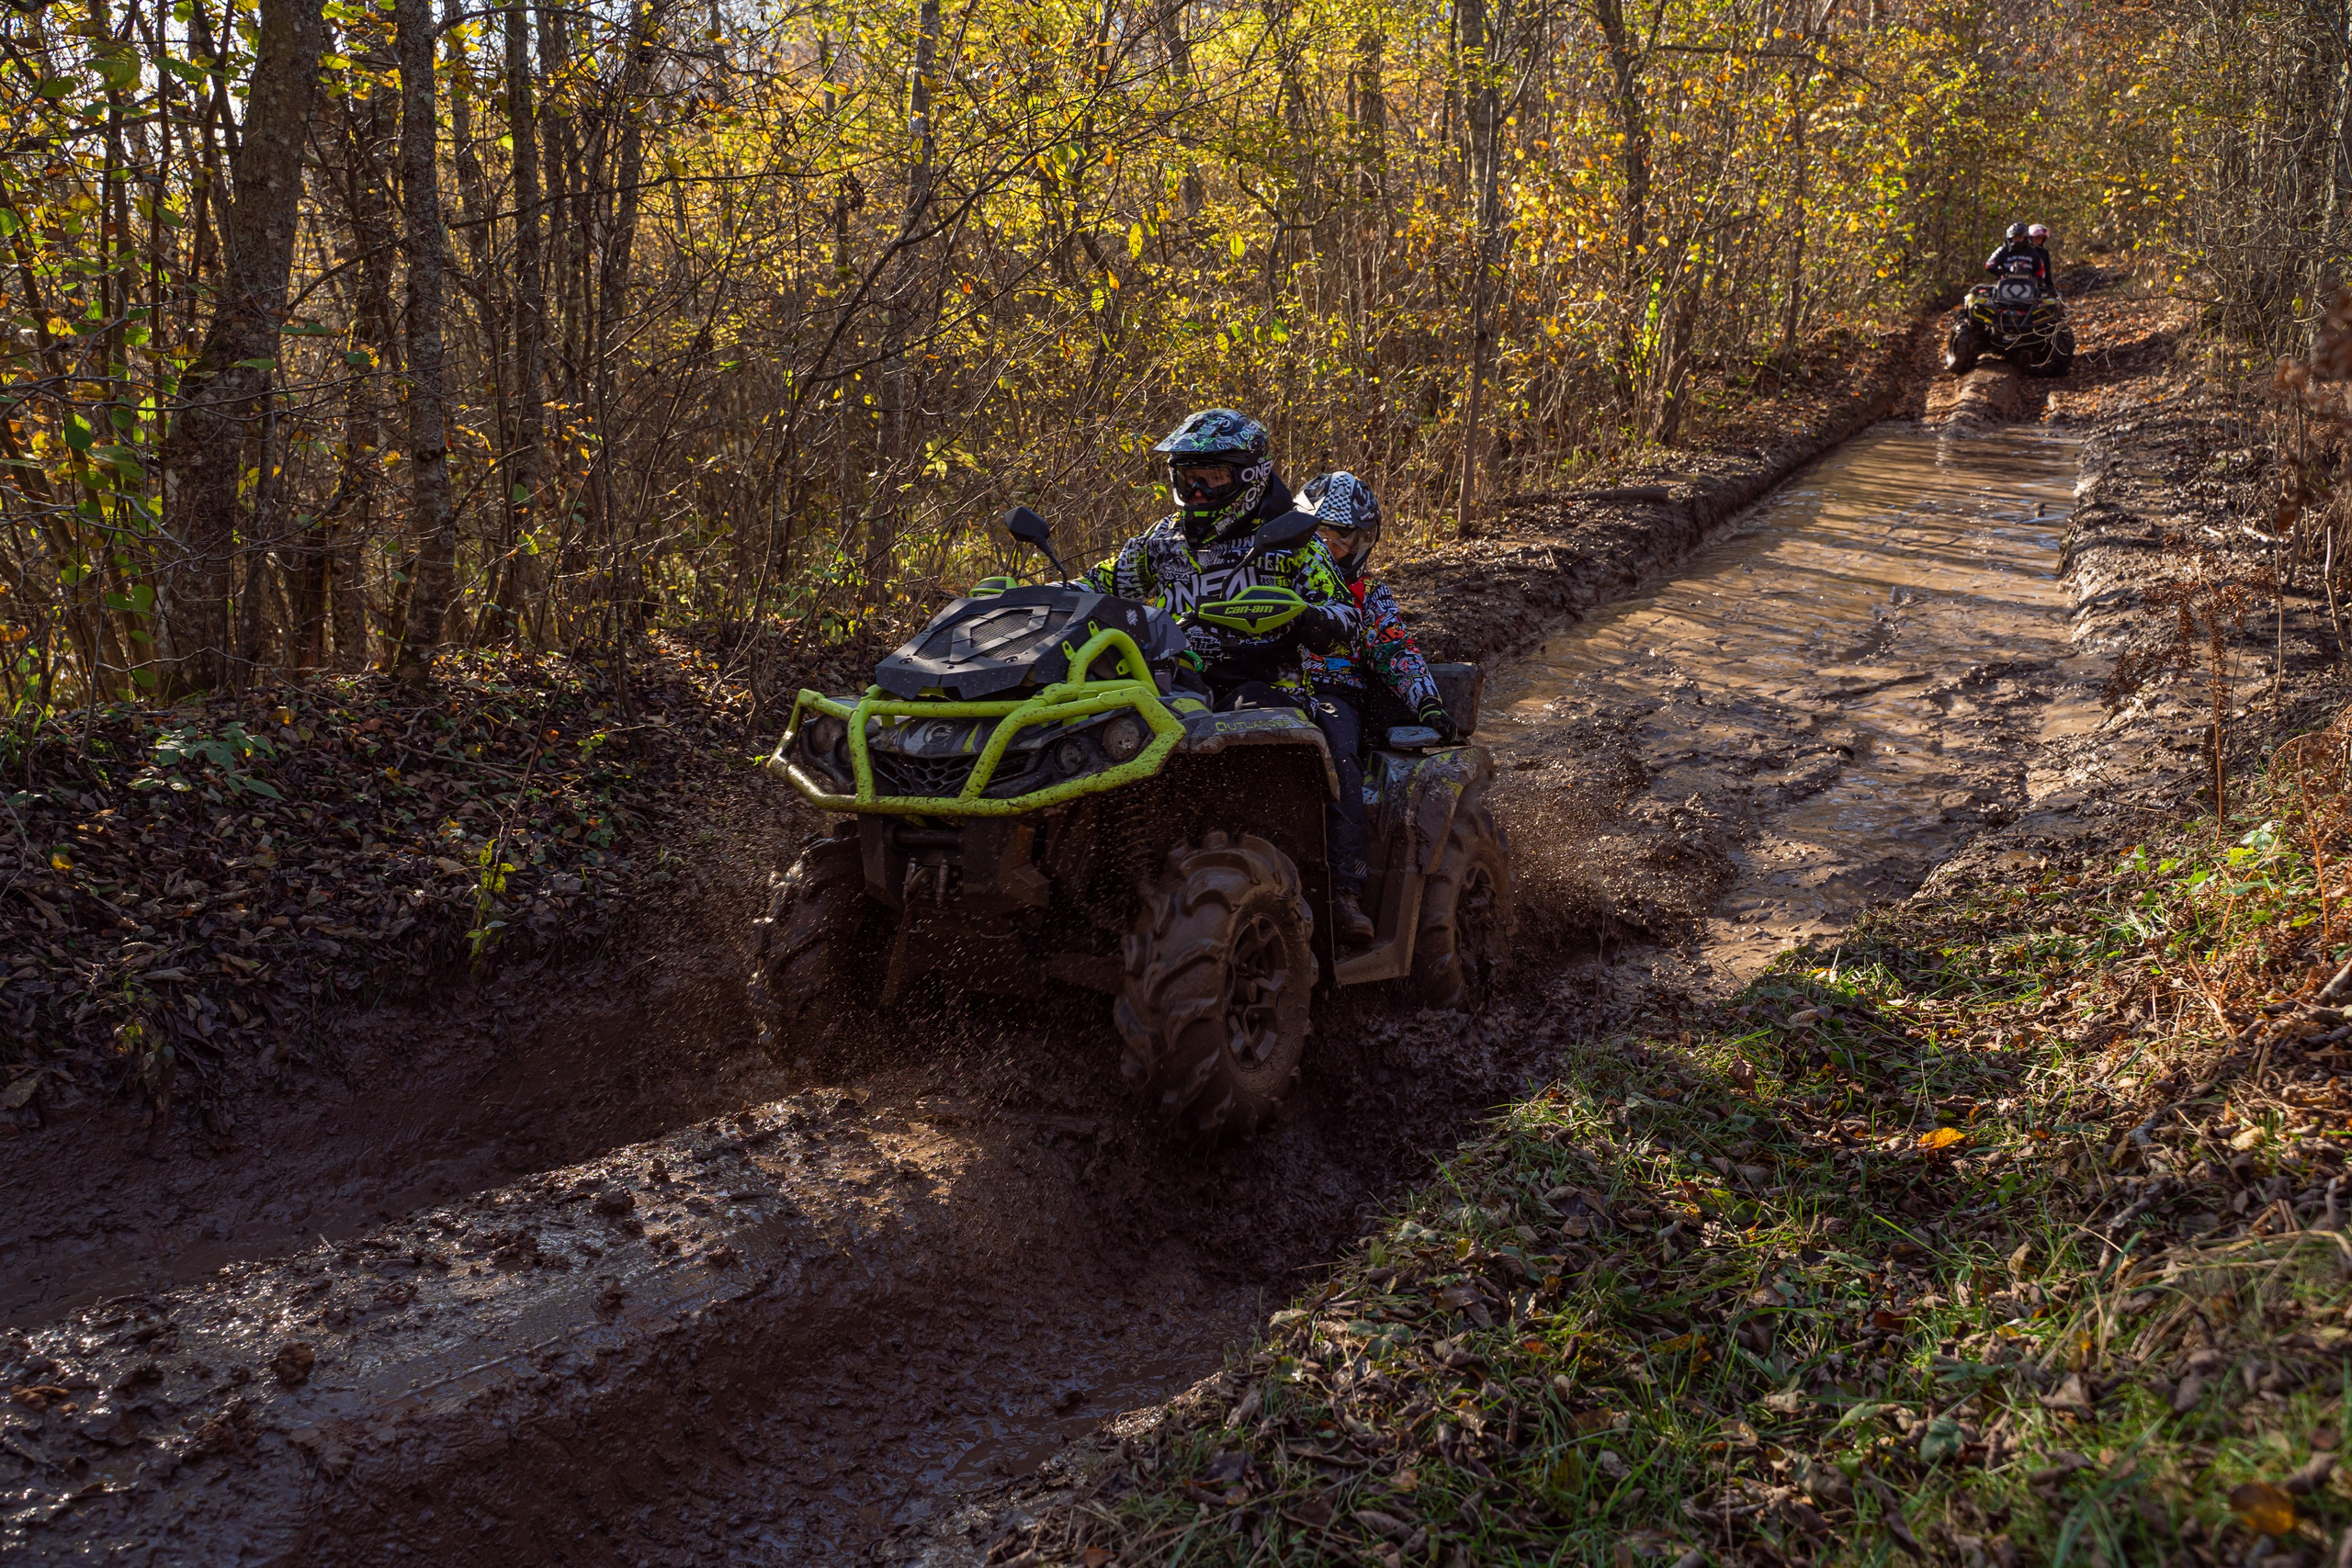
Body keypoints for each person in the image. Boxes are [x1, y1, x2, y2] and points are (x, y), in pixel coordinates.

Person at [1076, 409, 1377, 944]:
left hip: (1265, 689)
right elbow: (1102, 587)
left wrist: (1308, 618)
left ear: (1246, 476)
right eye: (1186, 474)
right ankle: (1101, 881)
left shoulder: (1293, 541)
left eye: (1209, 476)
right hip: (1172, 683)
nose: (1194, 487)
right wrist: (1048, 599)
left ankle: (1345, 893)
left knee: (1339, 748)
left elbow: (1347, 619)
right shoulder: (1161, 541)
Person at [1297, 471, 1455, 758]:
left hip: (1334, 696)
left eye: (1339, 543)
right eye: (1317, 538)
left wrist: (1426, 701)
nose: (1326, 552)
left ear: (1360, 544)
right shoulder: (1272, 578)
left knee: (1337, 750)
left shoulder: (1368, 592)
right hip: (1277, 691)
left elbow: (1394, 648)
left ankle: (1344, 803)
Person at [1984, 221, 2053, 295]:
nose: (2017, 240)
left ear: (2025, 238)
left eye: (2020, 237)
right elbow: (1989, 265)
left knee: (2052, 302)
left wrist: (2037, 279)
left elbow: (2040, 270)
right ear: (2010, 238)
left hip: (2029, 288)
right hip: (2005, 287)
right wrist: (2000, 272)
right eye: (2015, 237)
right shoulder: (2002, 250)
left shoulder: (2032, 252)